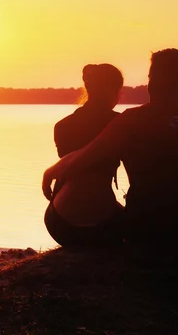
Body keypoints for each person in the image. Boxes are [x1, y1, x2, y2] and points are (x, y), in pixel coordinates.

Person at [42, 49, 178, 246]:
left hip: (143, 230)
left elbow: (85, 157)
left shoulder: (132, 121)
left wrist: (51, 171)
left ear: (152, 81)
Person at [44, 63, 125, 247]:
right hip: (104, 227)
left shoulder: (62, 126)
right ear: (114, 90)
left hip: (61, 225)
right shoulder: (122, 125)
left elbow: (69, 172)